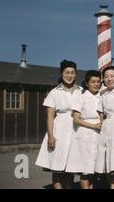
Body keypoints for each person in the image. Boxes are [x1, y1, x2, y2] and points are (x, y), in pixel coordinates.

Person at [35, 60, 82, 189]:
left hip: (76, 130)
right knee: (57, 167)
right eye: (67, 72)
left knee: (70, 167)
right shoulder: (54, 92)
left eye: (72, 73)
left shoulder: (81, 91)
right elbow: (50, 117)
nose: (69, 75)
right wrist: (51, 136)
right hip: (59, 130)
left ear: (75, 74)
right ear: (61, 73)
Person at [65, 70, 102, 189]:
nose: (96, 84)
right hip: (85, 135)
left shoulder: (101, 96)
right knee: (85, 171)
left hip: (98, 135)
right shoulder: (81, 97)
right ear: (87, 83)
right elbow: (76, 119)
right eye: (93, 82)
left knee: (93, 169)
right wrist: (93, 126)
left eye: (98, 82)